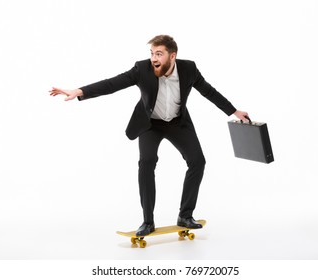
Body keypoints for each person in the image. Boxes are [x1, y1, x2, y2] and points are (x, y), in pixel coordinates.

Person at [50, 35, 249, 236]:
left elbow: (209, 92)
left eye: (159, 54)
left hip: (178, 123)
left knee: (198, 161)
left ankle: (185, 215)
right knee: (146, 162)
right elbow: (112, 84)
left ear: (173, 56)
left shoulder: (189, 69)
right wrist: (79, 91)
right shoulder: (142, 68)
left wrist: (234, 111)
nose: (154, 58)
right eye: (152, 53)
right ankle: (147, 221)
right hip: (150, 124)